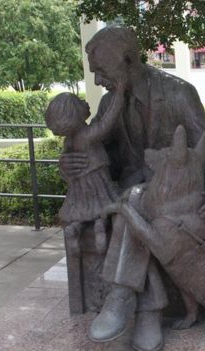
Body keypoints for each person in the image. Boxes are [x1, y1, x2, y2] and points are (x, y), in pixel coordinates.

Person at [59, 27, 205, 351]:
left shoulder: (180, 94)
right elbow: (98, 152)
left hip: (176, 196)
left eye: (101, 72)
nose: (97, 82)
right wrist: (70, 166)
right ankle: (149, 312)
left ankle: (121, 295)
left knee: (131, 206)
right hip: (132, 190)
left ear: (127, 60)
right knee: (132, 203)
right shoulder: (111, 102)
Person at [45, 86, 126, 254]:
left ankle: (75, 229)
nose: (84, 101)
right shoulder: (87, 135)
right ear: (74, 114)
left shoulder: (69, 141)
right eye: (79, 102)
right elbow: (106, 124)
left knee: (80, 212)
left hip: (79, 188)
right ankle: (100, 230)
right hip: (97, 183)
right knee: (102, 211)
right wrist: (119, 95)